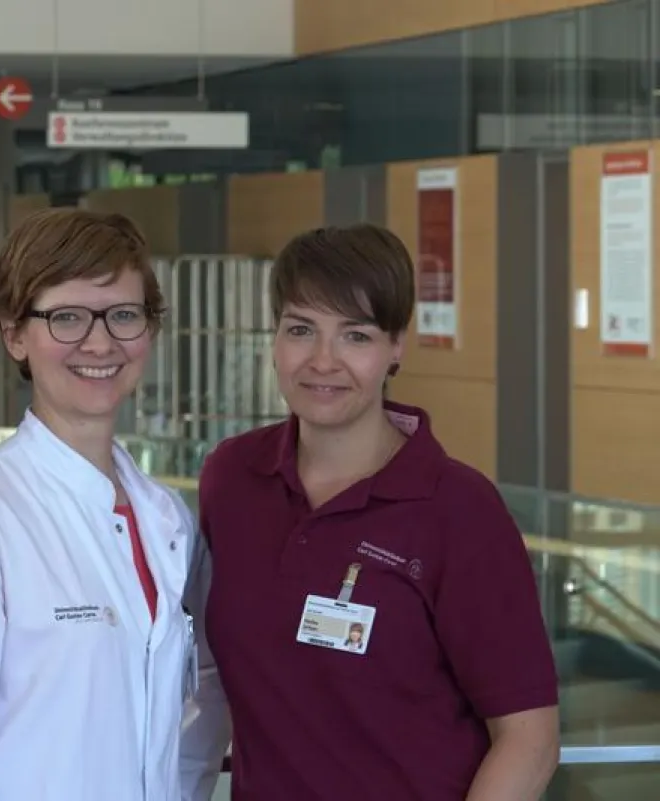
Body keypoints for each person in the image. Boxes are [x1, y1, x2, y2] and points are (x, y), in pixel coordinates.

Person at [180, 224, 560, 800]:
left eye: (355, 336)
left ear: (396, 346)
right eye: (301, 329)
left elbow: (529, 739)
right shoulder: (232, 479)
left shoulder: (458, 511)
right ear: (275, 339)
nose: (323, 361)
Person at [0, 208, 206, 801]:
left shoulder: (167, 518)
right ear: (14, 334)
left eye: (124, 316)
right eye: (67, 318)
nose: (100, 341)